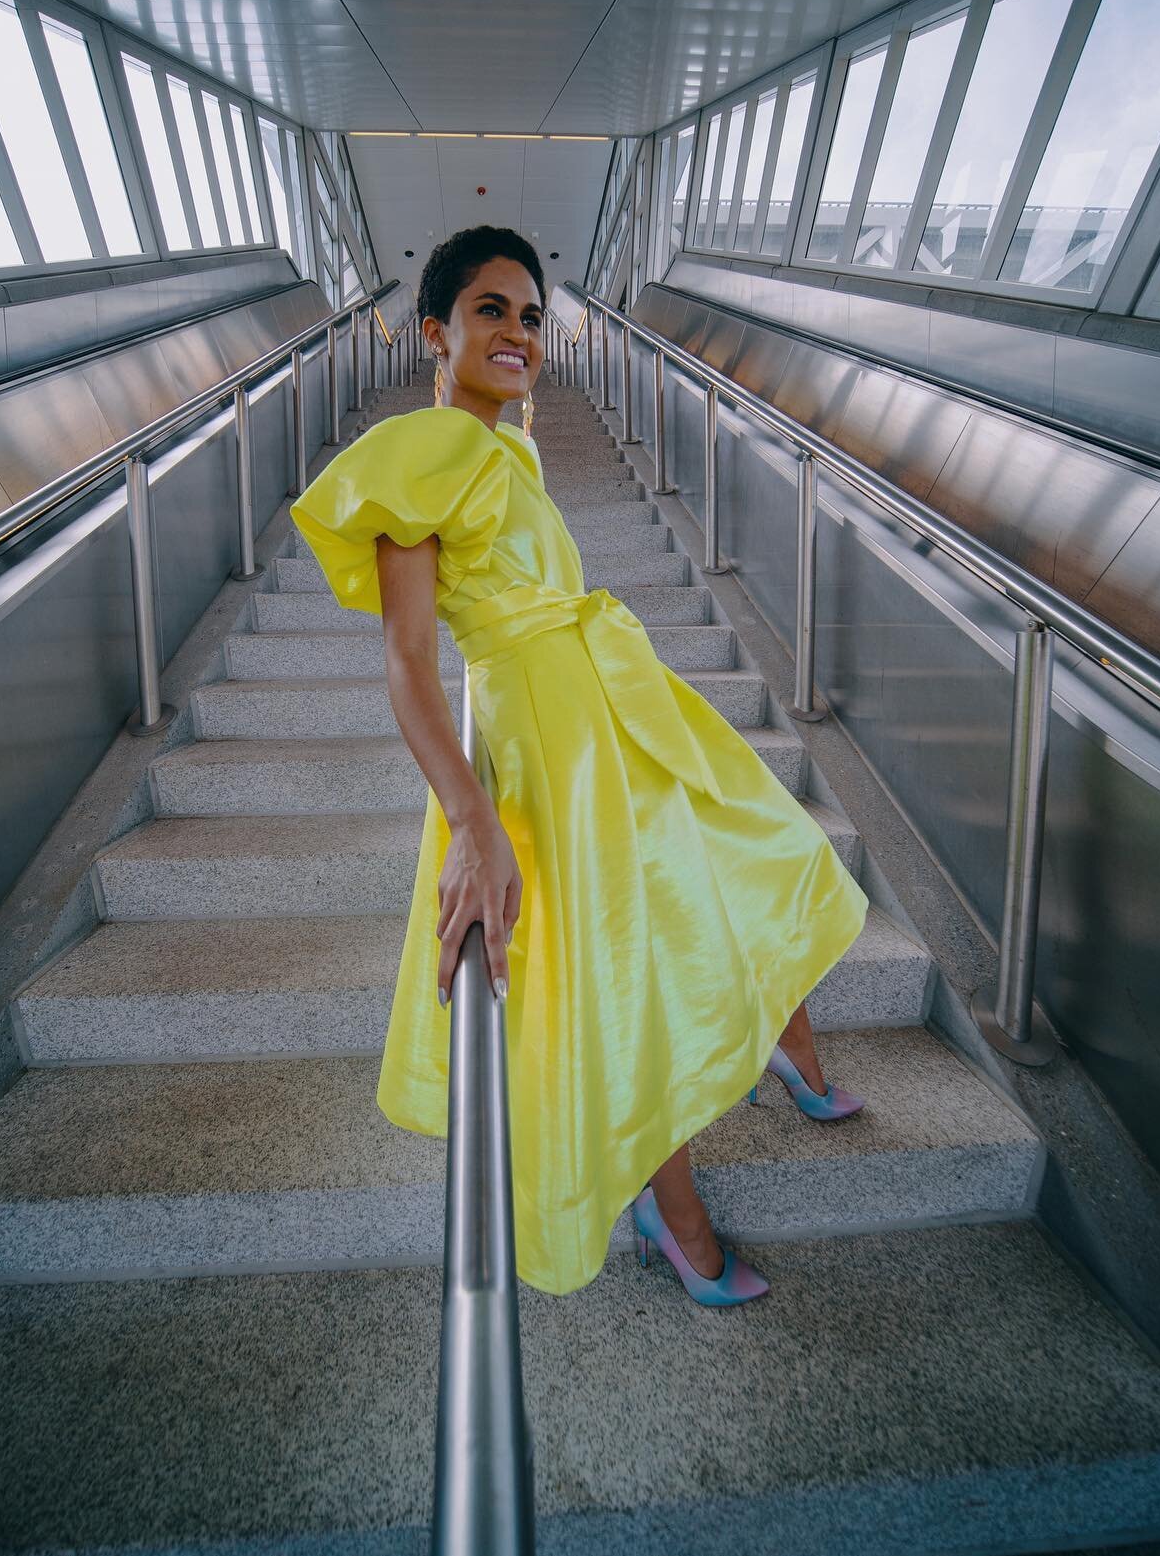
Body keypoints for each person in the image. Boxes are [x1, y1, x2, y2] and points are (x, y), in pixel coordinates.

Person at [290, 225, 869, 1304]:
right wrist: (472, 819)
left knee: (757, 852)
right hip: (549, 747)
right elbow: (411, 666)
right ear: (435, 332)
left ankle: (784, 1045)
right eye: (490, 311)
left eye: (531, 317)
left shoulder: (510, 448)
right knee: (626, 968)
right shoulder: (419, 453)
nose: (518, 333)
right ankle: (674, 1208)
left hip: (608, 704)